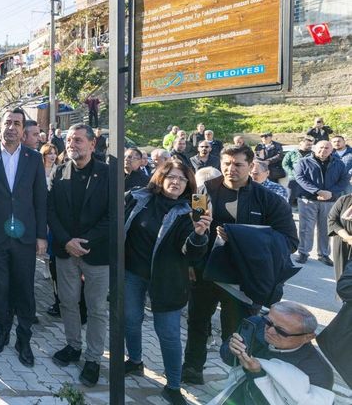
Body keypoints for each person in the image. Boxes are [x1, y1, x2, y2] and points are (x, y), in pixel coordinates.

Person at [182, 145, 297, 385]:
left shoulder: (268, 200)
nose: (230, 169)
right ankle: (191, 371)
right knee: (197, 323)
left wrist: (243, 237)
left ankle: (238, 381)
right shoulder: (203, 191)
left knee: (236, 334)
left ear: (251, 165)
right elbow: (192, 229)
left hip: (243, 280)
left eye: (237, 164)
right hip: (205, 274)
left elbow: (290, 241)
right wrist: (190, 263)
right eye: (226, 163)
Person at [122, 160, 211, 405]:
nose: (176, 182)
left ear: (188, 184)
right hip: (133, 273)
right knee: (130, 320)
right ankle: (135, 361)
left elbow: (192, 254)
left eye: (182, 179)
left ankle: (173, 385)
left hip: (168, 280)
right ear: (160, 177)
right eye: (171, 176)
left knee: (169, 334)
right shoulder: (138, 197)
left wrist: (199, 234)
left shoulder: (191, 210)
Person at [0, 108, 47, 367]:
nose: (12, 128)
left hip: (25, 237)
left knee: (25, 287)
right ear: (0, 126)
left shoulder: (34, 158)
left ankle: (23, 338)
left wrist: (41, 236)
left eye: (17, 123)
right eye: (8, 122)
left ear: (23, 129)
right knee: (0, 286)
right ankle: (3, 330)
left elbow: (40, 199)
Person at [48, 124, 110, 386]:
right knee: (68, 302)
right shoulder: (59, 171)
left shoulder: (108, 173)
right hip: (65, 251)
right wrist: (66, 241)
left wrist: (84, 241)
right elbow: (50, 210)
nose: (72, 144)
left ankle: (93, 359)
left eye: (78, 140)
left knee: (97, 308)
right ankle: (73, 345)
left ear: (92, 144)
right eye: (69, 140)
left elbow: (113, 215)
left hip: (97, 253)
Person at [218, 302, 334, 402]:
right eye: (268, 322)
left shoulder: (318, 374)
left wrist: (257, 374)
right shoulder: (256, 325)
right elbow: (227, 359)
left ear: (308, 337)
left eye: (281, 331)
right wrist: (232, 349)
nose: (270, 331)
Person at [294, 140, 349, 266]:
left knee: (326, 228)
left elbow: (344, 179)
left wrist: (330, 193)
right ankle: (303, 253)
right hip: (308, 199)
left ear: (331, 150)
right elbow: (300, 178)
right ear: (314, 148)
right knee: (306, 228)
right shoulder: (303, 162)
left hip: (329, 201)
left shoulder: (339, 163)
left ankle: (324, 254)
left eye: (327, 148)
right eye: (321, 147)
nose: (323, 150)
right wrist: (318, 191)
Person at [40, 143, 61, 317]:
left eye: (54, 153)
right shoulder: (39, 170)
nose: (52, 156)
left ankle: (49, 263)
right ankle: (45, 265)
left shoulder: (59, 170)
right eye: (49, 153)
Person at [328, 193, 352, 284]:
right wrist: (347, 237)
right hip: (342, 243)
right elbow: (332, 220)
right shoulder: (344, 200)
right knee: (341, 278)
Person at [283, 136, 314, 204]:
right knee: (289, 197)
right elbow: (285, 164)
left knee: (307, 199)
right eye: (308, 144)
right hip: (294, 179)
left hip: (308, 180)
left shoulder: (313, 154)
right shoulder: (291, 153)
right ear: (300, 143)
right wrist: (293, 172)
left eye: (311, 145)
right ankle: (286, 209)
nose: (310, 146)